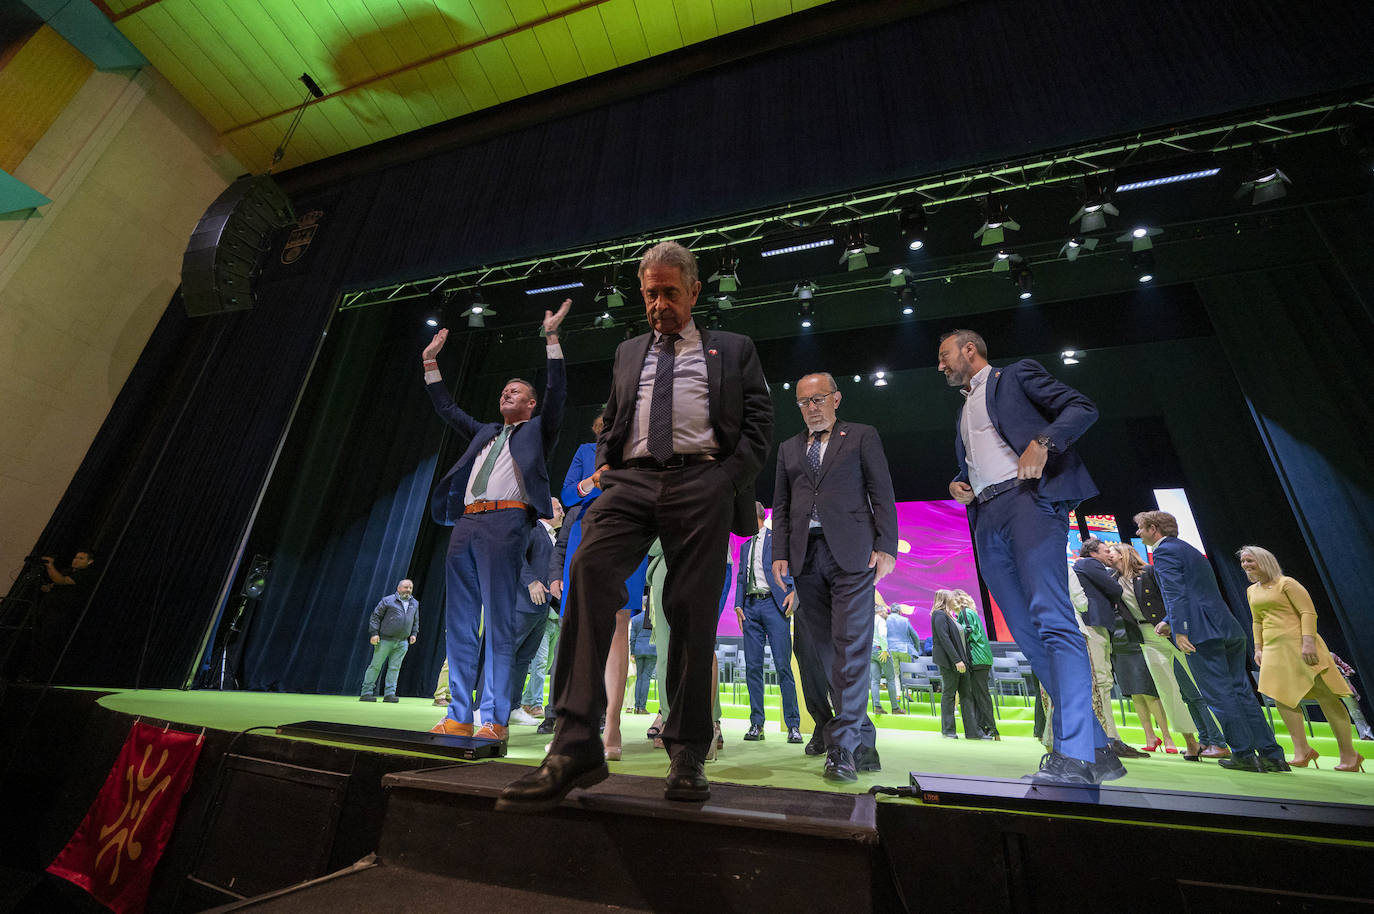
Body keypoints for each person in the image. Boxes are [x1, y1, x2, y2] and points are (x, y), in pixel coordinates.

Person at [499, 241, 772, 811]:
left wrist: (724, 481)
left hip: (703, 479)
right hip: (630, 481)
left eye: (670, 292)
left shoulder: (735, 349)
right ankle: (575, 743)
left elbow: (758, 425)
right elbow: (614, 417)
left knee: (691, 609)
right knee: (587, 570)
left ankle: (688, 750)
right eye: (650, 293)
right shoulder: (627, 353)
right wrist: (605, 461)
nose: (658, 304)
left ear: (694, 291)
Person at [937, 329, 1118, 785]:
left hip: (1029, 502)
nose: (940, 366)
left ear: (969, 349)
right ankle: (1096, 748)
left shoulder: (1015, 376)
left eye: (944, 356)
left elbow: (1082, 407)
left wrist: (1044, 442)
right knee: (1026, 632)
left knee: (1053, 620)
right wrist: (960, 483)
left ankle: (1074, 753)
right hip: (985, 514)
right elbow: (981, 460)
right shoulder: (963, 410)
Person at [422, 299, 570, 743]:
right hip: (466, 526)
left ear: (531, 403)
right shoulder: (486, 432)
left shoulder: (537, 431)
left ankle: (495, 718)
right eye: (504, 390)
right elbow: (448, 410)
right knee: (461, 621)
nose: (506, 393)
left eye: (516, 391)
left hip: (506, 526)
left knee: (500, 622)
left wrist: (552, 338)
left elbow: (559, 394)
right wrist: (431, 363)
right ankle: (459, 714)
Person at [772, 371, 898, 783]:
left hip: (854, 555)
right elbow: (782, 503)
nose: (811, 407)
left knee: (851, 648)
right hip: (805, 558)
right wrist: (778, 554)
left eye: (818, 399)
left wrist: (887, 546)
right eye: (804, 402)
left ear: (836, 399)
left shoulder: (861, 436)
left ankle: (841, 747)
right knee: (825, 652)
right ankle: (864, 743)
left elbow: (881, 491)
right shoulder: (789, 449)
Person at [1134, 511, 1287, 773]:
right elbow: (1194, 591)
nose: (1138, 533)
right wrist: (1171, 619)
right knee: (1241, 692)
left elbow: (1175, 591)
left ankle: (1243, 754)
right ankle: (1272, 755)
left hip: (1201, 632)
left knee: (1219, 694)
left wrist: (1179, 629)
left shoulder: (1163, 552)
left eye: (1140, 528)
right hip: (1227, 626)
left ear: (1152, 528)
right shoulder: (1188, 549)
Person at [1238, 545, 1363, 772]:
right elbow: (1257, 620)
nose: (1245, 565)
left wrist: (1308, 642)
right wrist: (1258, 648)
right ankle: (1302, 750)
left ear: (1264, 561)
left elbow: (1308, 612)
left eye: (1250, 560)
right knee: (1281, 697)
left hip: (1301, 646)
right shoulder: (1251, 590)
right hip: (1274, 649)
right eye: (1243, 562)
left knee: (1326, 696)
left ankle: (1350, 755)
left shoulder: (1287, 583)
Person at [1110, 543, 1222, 760]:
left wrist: (1171, 622)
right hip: (1145, 637)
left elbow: (1173, 598)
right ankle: (1192, 742)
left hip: (1170, 632)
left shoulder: (1149, 572)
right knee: (1168, 691)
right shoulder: (1113, 581)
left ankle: (1216, 739)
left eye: (1111, 553)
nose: (1108, 556)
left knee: (1194, 687)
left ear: (1123, 554)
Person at [1073, 538, 1151, 760]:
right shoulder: (1089, 564)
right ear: (1094, 553)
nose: (1109, 554)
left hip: (1098, 625)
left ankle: (1111, 736)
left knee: (1104, 679)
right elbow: (1114, 588)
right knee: (1100, 679)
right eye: (1106, 550)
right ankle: (1108, 738)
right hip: (1094, 625)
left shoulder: (1087, 567)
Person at [734, 502, 803, 743]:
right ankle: (756, 724)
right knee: (753, 667)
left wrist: (794, 590)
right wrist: (738, 604)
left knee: (783, 665)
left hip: (775, 606)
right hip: (750, 608)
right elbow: (742, 577)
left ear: (756, 516)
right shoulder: (744, 547)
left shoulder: (777, 539)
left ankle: (793, 725)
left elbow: (792, 565)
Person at [509, 500, 563, 725]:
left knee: (523, 659)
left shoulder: (553, 537)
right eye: (559, 508)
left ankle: (512, 707)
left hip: (542, 609)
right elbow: (515, 554)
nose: (563, 512)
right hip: (522, 604)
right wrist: (531, 582)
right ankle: (485, 706)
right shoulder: (533, 529)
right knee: (505, 655)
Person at [930, 590, 983, 739]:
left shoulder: (951, 616)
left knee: (966, 695)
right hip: (950, 662)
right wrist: (956, 660)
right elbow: (944, 639)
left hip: (962, 661)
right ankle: (948, 730)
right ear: (945, 599)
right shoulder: (938, 615)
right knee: (949, 694)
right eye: (952, 598)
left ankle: (972, 732)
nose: (955, 601)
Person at [359, 580, 419, 702]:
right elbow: (375, 617)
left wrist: (414, 633)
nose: (408, 590)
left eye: (410, 588)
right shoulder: (388, 600)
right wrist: (374, 633)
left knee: (395, 668)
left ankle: (389, 694)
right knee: (375, 666)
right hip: (385, 639)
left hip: (402, 642)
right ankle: (366, 693)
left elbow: (415, 620)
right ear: (399, 588)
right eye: (406, 587)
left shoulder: (415, 603)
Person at [953, 590, 999, 740]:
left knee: (981, 695)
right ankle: (985, 728)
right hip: (982, 658)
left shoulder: (964, 613)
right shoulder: (972, 613)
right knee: (981, 694)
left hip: (976, 658)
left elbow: (967, 632)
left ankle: (991, 729)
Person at [869, 603, 904, 715]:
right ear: (879, 612)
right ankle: (895, 708)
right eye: (885, 611)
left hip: (870, 651)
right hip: (881, 650)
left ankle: (877, 707)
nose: (887, 614)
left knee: (875, 681)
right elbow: (882, 636)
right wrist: (884, 650)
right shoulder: (881, 621)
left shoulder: (868, 620)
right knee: (891, 679)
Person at [630, 607, 656, 714]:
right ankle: (642, 707)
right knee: (646, 678)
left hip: (638, 650)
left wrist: (632, 652)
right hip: (652, 650)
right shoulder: (655, 619)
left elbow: (632, 638)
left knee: (639, 678)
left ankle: (636, 707)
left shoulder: (635, 619)